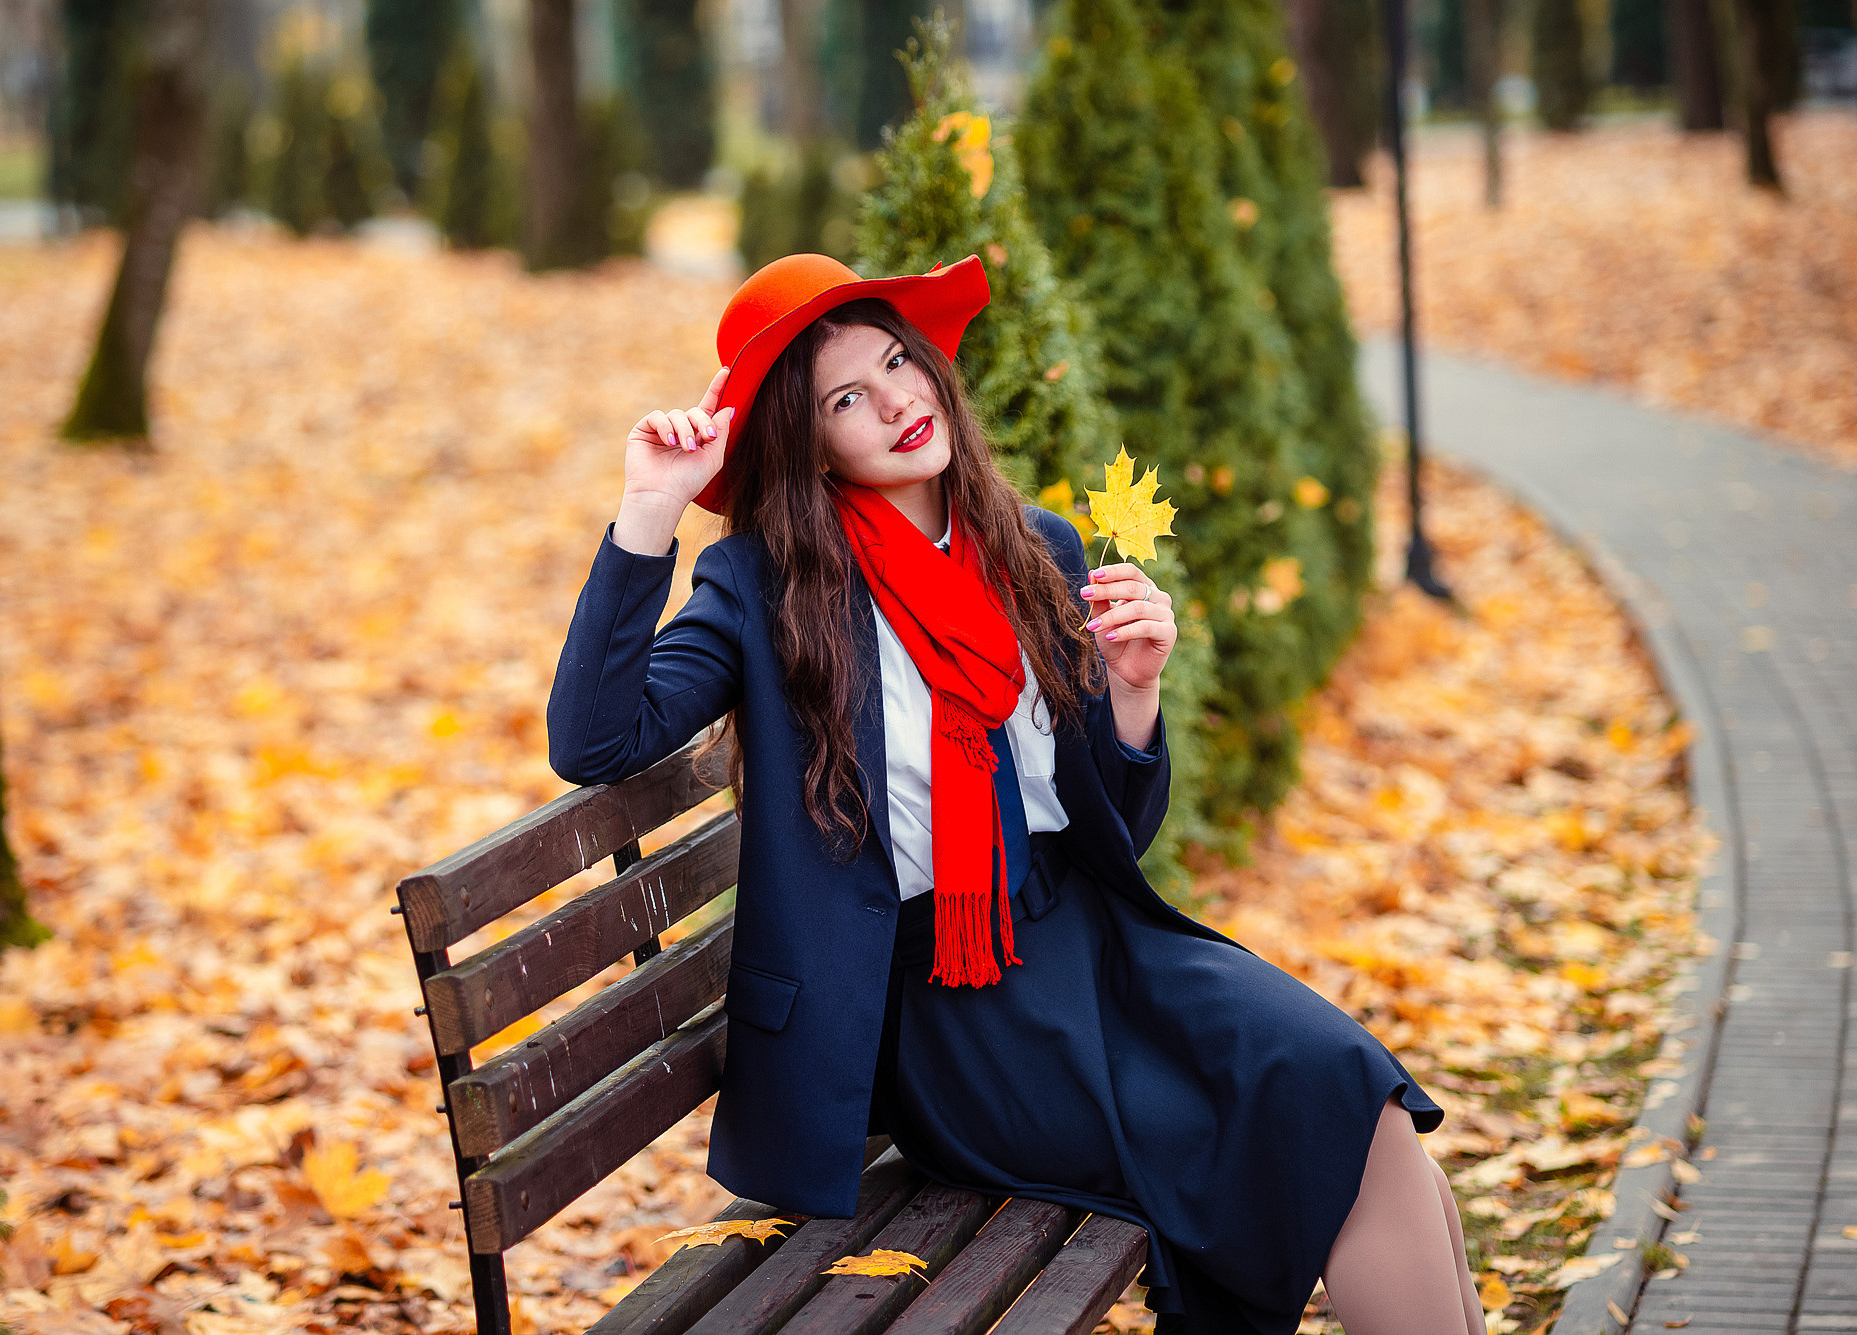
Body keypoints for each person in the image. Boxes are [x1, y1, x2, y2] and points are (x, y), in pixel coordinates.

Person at [548, 253, 1484, 1335]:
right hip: (946, 1007)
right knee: (1317, 1133)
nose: (896, 400)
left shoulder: (1030, 547)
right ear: (805, 446)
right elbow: (594, 739)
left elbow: (1112, 831)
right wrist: (648, 513)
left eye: (898, 362)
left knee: (1355, 1097)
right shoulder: (764, 588)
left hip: (1096, 946)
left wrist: (1132, 698)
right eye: (845, 398)